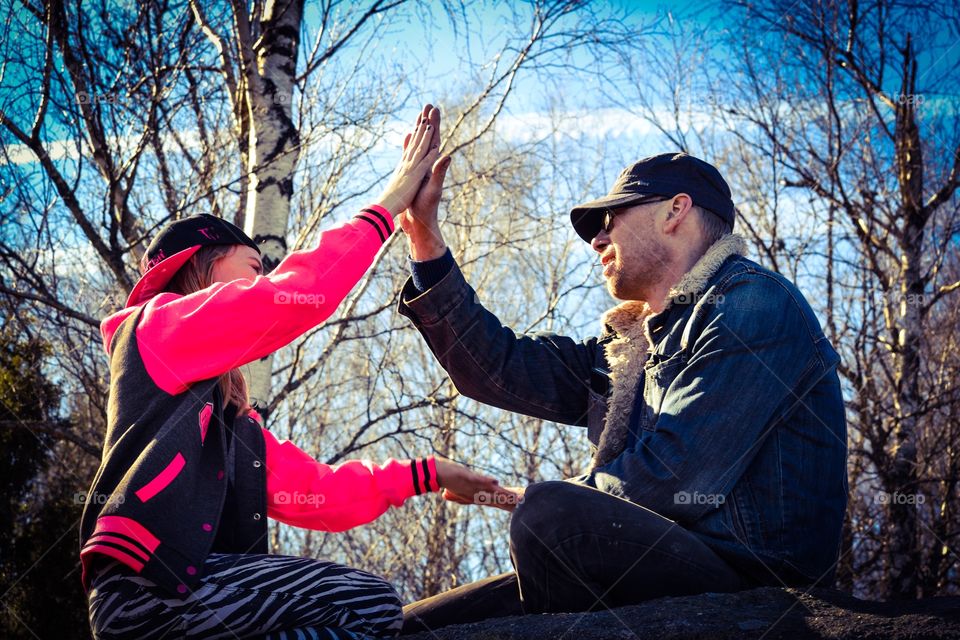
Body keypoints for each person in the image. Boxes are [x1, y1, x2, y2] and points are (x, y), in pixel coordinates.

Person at [397, 108, 848, 630]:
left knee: (550, 517)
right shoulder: (628, 348)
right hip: (654, 558)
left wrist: (521, 499)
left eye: (611, 220)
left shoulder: (752, 307)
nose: (596, 240)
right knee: (411, 626)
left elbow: (674, 478)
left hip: (757, 582)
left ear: (675, 210)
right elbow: (496, 368)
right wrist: (425, 241)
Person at [80, 105, 513, 640]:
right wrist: (388, 206)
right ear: (200, 265)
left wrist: (427, 474)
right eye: (253, 267)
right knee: (368, 604)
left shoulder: (232, 426)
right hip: (149, 589)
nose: (261, 278)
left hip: (195, 597)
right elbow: (293, 298)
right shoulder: (155, 329)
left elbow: (320, 495)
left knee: (364, 609)